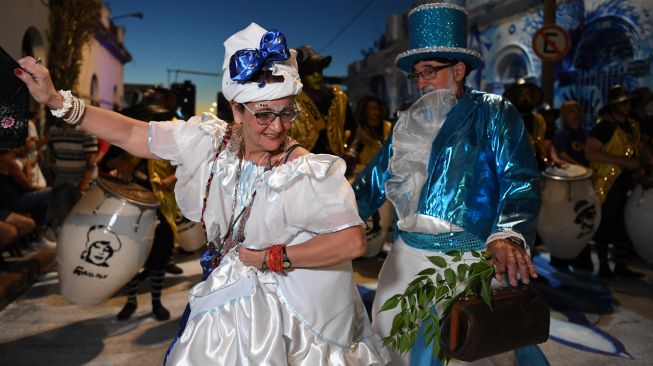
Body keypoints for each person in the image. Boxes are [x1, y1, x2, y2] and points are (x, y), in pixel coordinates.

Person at [15, 22, 388, 365]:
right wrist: (57, 102)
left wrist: (273, 257)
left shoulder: (307, 171)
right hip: (228, 293)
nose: (277, 127)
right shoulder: (209, 142)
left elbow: (352, 243)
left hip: (286, 311)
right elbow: (133, 134)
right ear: (236, 110)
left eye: (285, 113)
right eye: (263, 114)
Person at [352, 3, 541, 364]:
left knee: (488, 343)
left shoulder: (494, 112)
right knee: (395, 345)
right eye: (417, 75)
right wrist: (332, 215)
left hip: (471, 256)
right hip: (407, 256)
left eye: (429, 72)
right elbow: (373, 181)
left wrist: (508, 234)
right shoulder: (407, 123)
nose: (421, 82)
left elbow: (521, 180)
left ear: (458, 69)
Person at [99, 87, 181, 321]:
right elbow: (106, 164)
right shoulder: (127, 138)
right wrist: (119, 162)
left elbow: (187, 167)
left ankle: (156, 302)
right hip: (131, 206)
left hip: (162, 205)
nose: (151, 120)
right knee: (131, 258)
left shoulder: (172, 136)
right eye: (148, 116)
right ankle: (131, 301)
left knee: (159, 257)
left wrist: (171, 179)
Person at [585, 84, 650, 279]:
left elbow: (639, 147)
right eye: (621, 103)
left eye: (627, 102)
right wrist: (622, 161)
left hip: (626, 181)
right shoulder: (604, 126)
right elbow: (590, 151)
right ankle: (604, 267)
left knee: (623, 225)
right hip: (607, 183)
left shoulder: (631, 125)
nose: (626, 106)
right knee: (605, 224)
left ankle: (621, 266)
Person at [290, 45, 357, 159]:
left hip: (336, 163)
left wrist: (351, 152)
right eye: (310, 71)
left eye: (319, 69)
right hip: (302, 166)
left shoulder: (337, 97)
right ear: (301, 74)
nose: (317, 75)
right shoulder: (290, 100)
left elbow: (355, 128)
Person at [504, 78, 559, 169]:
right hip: (518, 169)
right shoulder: (509, 121)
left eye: (528, 94)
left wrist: (554, 157)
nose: (525, 98)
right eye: (522, 94)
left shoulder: (540, 120)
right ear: (515, 97)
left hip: (540, 168)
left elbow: (548, 144)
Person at [553, 100, 589, 167]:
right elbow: (562, 156)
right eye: (571, 111)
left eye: (578, 111)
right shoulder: (561, 135)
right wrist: (582, 168)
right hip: (571, 172)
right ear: (564, 115)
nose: (576, 114)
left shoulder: (587, 133)